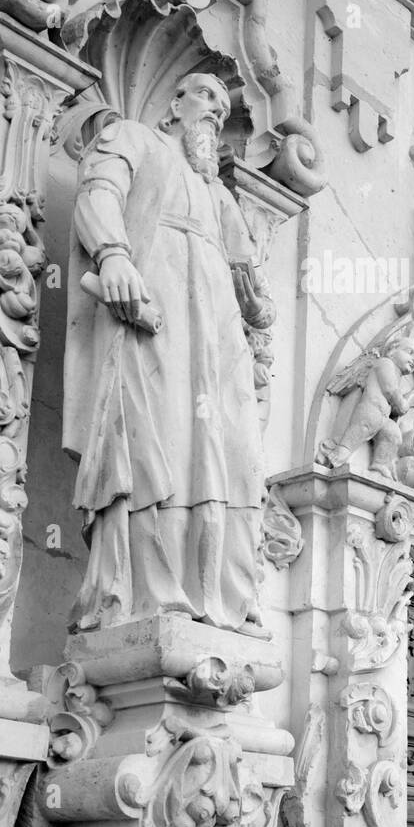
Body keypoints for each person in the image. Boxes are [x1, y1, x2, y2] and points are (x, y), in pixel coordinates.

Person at [62, 72, 274, 634]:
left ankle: (224, 599)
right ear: (174, 103)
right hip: (155, 306)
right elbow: (99, 191)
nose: (214, 111)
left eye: (223, 105)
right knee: (159, 438)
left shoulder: (221, 195)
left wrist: (257, 309)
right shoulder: (136, 139)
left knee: (232, 450)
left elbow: (249, 277)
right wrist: (112, 255)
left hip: (220, 329)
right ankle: (147, 595)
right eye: (205, 95)